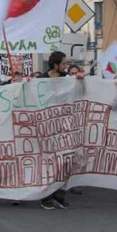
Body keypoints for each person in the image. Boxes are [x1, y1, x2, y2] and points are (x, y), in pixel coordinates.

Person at [39, 51, 84, 210]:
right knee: (49, 163)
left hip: (65, 128)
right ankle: (46, 196)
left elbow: (80, 91)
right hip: (47, 128)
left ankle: (59, 194)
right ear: (55, 64)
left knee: (65, 161)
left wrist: (80, 80)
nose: (66, 66)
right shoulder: (41, 80)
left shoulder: (68, 79)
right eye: (64, 63)